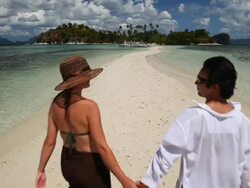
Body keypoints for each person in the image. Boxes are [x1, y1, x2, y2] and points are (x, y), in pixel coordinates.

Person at [137, 56, 250, 188]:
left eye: (201, 80)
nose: (196, 82)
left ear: (215, 87)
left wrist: (146, 183)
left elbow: (165, 156)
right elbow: (247, 169)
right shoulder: (244, 123)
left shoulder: (191, 118)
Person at [36, 56, 137, 188]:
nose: (90, 77)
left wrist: (41, 169)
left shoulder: (55, 105)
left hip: (67, 164)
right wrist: (124, 180)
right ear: (78, 80)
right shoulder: (89, 107)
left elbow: (49, 142)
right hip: (89, 166)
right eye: (86, 75)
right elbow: (102, 147)